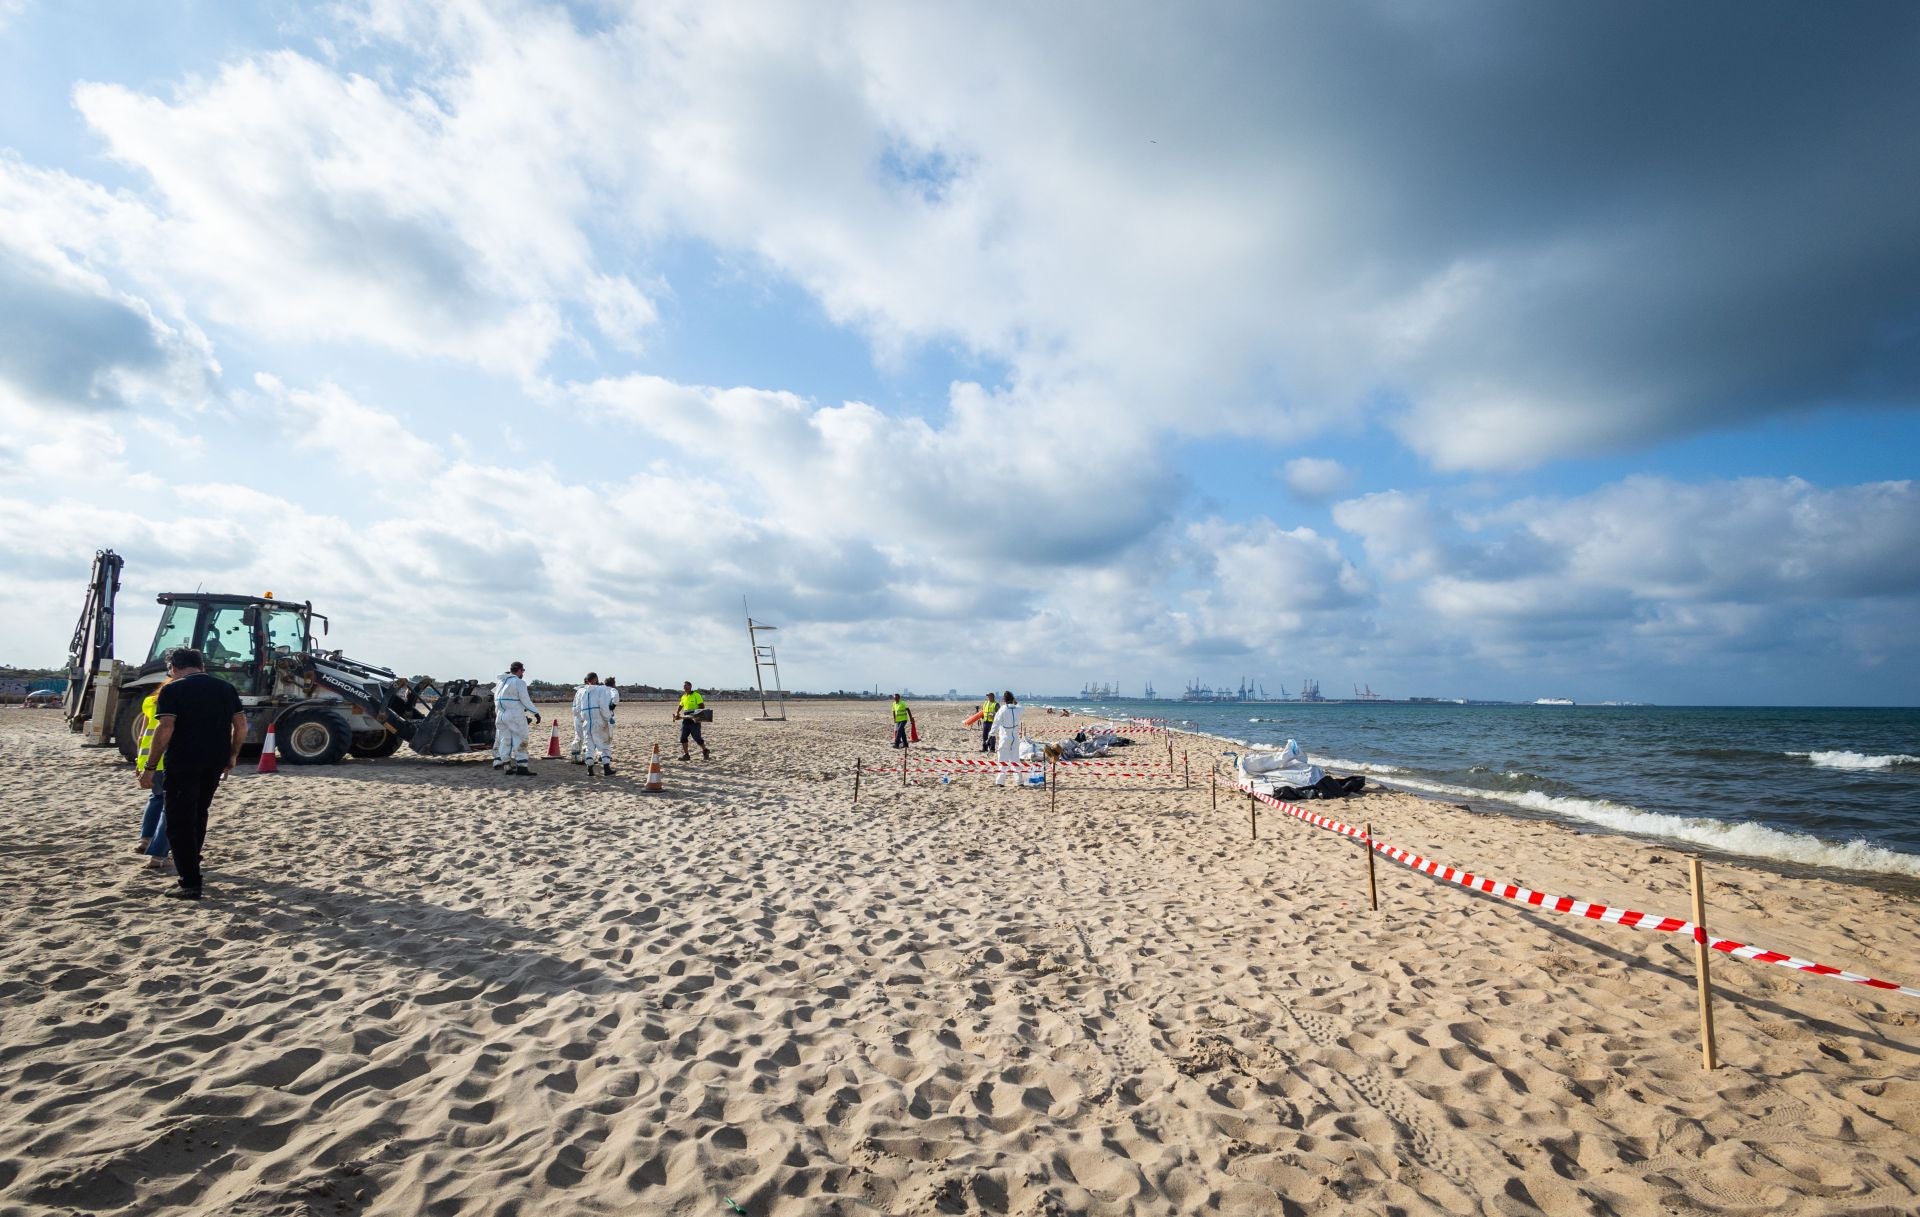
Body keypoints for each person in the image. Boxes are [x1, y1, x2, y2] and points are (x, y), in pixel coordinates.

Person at [146, 649, 246, 900]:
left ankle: (189, 882)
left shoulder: (173, 689)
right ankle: (193, 866)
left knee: (179, 821)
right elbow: (241, 725)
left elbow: (165, 727)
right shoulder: (225, 688)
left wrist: (150, 766)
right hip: (215, 759)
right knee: (199, 814)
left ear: (173, 667)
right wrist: (233, 754)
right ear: (201, 665)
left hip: (184, 761)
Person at [133, 678, 174, 874]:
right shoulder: (176, 702)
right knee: (170, 805)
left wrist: (139, 761)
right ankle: (159, 855)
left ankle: (145, 839)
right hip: (165, 758)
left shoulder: (149, 702)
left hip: (147, 757)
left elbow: (142, 734)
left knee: (156, 798)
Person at [492, 661, 540, 777]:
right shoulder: (519, 682)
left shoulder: (500, 682)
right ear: (518, 670)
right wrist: (536, 713)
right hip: (515, 715)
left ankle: (506, 765)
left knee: (505, 740)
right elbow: (525, 700)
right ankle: (522, 766)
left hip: (500, 716)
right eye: (522, 671)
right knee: (522, 739)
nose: (523, 673)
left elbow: (495, 699)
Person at [577, 672, 616, 776]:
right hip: (599, 722)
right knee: (605, 745)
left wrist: (583, 719)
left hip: (587, 723)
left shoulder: (581, 691)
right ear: (595, 679)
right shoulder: (601, 689)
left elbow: (578, 709)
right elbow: (603, 706)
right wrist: (609, 718)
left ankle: (590, 769)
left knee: (589, 745)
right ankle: (607, 769)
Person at [991, 690, 1024, 787]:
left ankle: (1000, 781)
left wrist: (991, 734)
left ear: (1004, 699)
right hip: (1015, 737)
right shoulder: (1018, 709)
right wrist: (1015, 701)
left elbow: (996, 722)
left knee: (1002, 758)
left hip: (1005, 736)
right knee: (1015, 759)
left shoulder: (1003, 709)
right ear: (1012, 699)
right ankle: (1019, 781)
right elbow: (1020, 706)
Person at [674, 681, 710, 761]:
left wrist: (697, 716)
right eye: (684, 686)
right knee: (683, 737)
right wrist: (677, 712)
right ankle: (686, 755)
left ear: (690, 686)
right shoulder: (684, 696)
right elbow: (681, 705)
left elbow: (702, 706)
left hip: (695, 719)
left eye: (686, 686)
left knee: (697, 738)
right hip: (686, 718)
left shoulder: (696, 695)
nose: (685, 688)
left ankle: (705, 750)